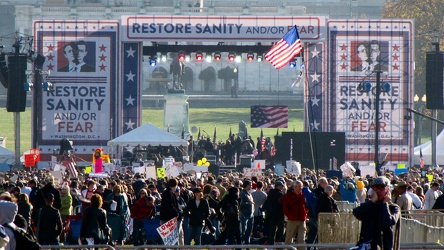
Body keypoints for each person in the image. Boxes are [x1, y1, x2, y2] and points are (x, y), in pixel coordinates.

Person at [352, 176, 401, 250]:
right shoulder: (369, 206)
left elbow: (388, 222)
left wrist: (384, 204)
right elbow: (357, 213)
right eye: (375, 188)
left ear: (387, 190)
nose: (378, 191)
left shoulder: (394, 208)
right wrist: (372, 201)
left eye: (381, 188)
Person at [282, 180, 308, 248]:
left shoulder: (304, 196)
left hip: (302, 219)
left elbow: (307, 206)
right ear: (293, 187)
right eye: (296, 186)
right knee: (289, 238)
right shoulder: (288, 196)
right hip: (292, 220)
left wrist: (305, 213)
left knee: (302, 239)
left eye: (299, 186)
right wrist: (289, 215)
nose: (298, 188)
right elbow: (285, 208)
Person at [264, 180, 285, 245]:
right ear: (278, 186)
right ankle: (278, 241)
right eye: (281, 186)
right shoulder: (280, 194)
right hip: (279, 214)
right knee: (280, 228)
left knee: (272, 229)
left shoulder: (270, 193)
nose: (282, 187)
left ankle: (271, 242)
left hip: (271, 214)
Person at [239, 180, 254, 245]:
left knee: (249, 230)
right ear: (246, 185)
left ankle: (247, 244)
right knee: (243, 230)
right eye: (250, 185)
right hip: (244, 214)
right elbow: (240, 203)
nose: (251, 186)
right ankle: (242, 243)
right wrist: (248, 203)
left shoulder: (249, 193)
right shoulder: (242, 193)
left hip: (250, 214)